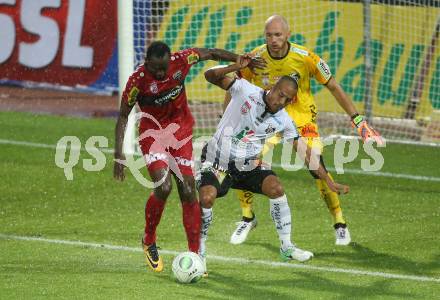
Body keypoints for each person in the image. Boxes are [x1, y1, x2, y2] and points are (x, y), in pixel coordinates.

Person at [225, 15, 382, 246]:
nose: (274, 40)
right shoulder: (255, 58)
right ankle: (248, 217)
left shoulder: (306, 58)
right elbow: (233, 86)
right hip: (266, 117)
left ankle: (339, 221)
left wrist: (358, 120)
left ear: (288, 34)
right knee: (244, 161)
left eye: (278, 35)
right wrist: (227, 117)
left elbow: (333, 86)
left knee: (315, 164)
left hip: (300, 118)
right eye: (269, 35)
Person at [113, 41, 264, 272]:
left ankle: (195, 256)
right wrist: (118, 154)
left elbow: (211, 53)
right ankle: (149, 240)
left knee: (187, 189)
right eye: (156, 69)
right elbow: (123, 115)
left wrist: (238, 60)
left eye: (164, 67)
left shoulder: (181, 60)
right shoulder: (137, 80)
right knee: (163, 188)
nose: (161, 73)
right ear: (147, 64)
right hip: (153, 134)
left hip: (181, 132)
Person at [199, 57, 349, 273]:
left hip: (248, 165)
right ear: (271, 87)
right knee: (207, 197)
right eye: (279, 94)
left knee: (276, 188)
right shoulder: (245, 90)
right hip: (218, 159)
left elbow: (305, 153)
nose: (280, 101)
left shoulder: (284, 120)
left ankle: (287, 247)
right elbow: (210, 75)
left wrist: (328, 181)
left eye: (286, 99)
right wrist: (235, 67)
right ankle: (199, 251)